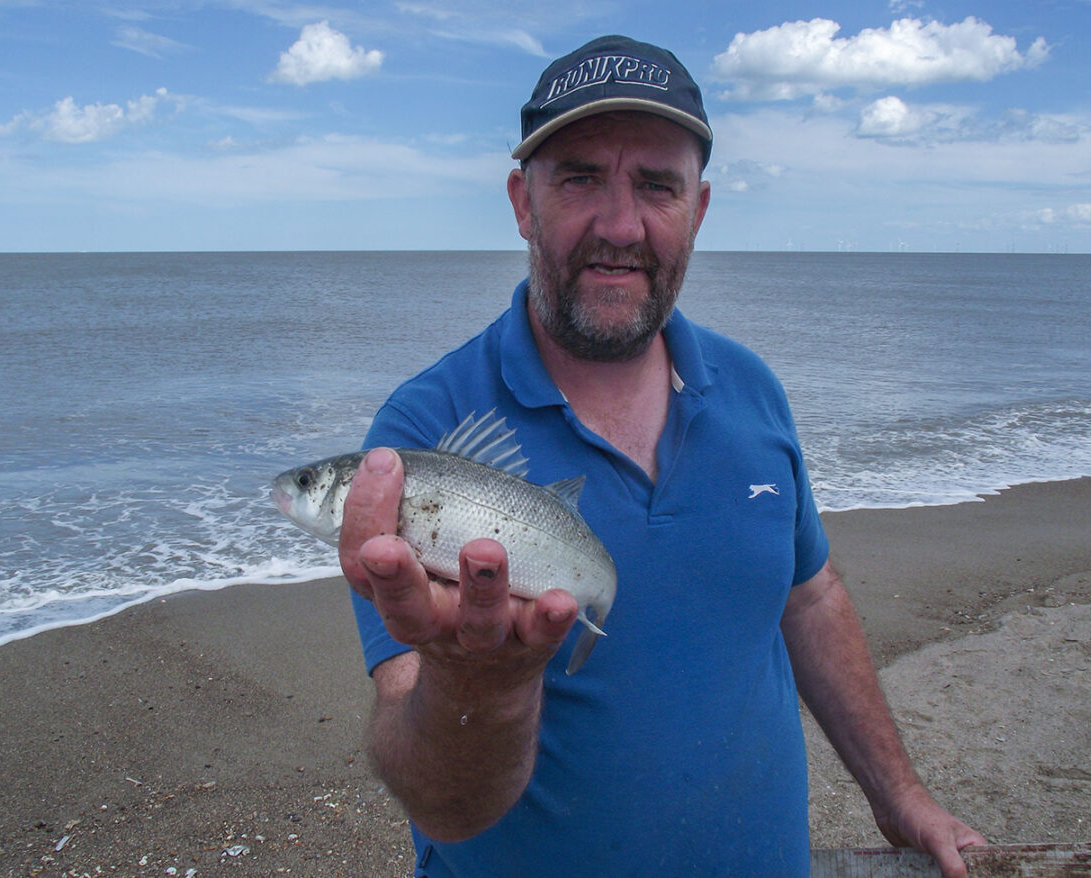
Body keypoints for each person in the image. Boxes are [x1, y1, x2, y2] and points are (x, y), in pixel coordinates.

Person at [338, 35, 986, 877]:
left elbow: (809, 597)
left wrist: (901, 796)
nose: (620, 224)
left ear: (700, 209)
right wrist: (479, 685)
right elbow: (439, 803)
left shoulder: (751, 389)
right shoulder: (426, 435)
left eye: (656, 184)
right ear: (521, 201)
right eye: (579, 177)